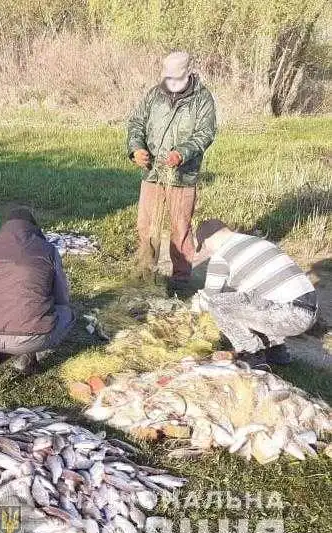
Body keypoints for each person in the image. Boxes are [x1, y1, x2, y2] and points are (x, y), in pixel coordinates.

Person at [126, 51, 217, 289]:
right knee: (146, 226)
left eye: (177, 78)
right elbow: (136, 123)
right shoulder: (154, 95)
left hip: (183, 176)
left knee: (181, 229)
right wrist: (136, 149)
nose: (171, 83)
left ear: (188, 73)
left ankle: (181, 280)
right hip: (153, 173)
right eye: (168, 78)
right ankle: (146, 272)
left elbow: (205, 133)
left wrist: (182, 153)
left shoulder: (202, 99)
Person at [0, 207, 76, 374]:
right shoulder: (48, 250)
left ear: (4, 228)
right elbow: (61, 298)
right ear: (33, 228)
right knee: (67, 313)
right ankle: (26, 358)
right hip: (33, 338)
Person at [192, 219, 318, 368]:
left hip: (289, 313)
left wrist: (195, 309)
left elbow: (209, 298)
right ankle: (276, 351)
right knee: (248, 303)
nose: (208, 251)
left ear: (208, 239)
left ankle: (251, 354)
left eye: (205, 246)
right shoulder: (257, 241)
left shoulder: (221, 255)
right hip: (310, 309)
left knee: (217, 304)